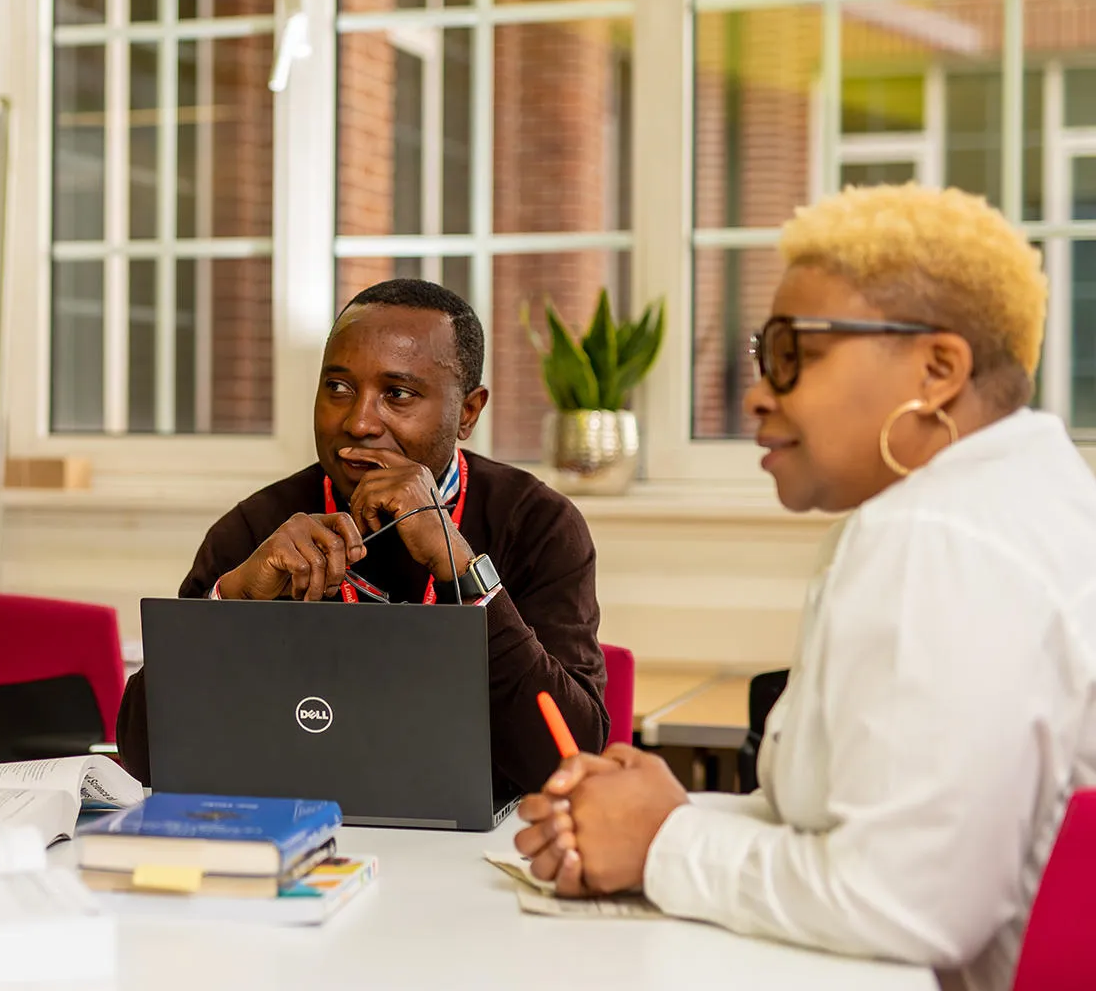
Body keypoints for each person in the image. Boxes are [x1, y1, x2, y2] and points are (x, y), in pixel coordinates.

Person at [514, 184, 1096, 991]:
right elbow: (850, 824)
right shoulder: (1020, 499)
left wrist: (663, 843)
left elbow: (908, 902)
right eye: (762, 354)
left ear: (938, 369)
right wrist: (649, 814)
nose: (758, 392)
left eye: (794, 353)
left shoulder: (939, 537)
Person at [116, 278, 607, 794]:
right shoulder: (257, 528)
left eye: (397, 394)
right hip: (299, 828)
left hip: (469, 849)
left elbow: (569, 760)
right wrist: (229, 603)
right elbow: (148, 758)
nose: (358, 421)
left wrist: (465, 573)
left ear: (468, 412)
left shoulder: (537, 525)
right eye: (339, 388)